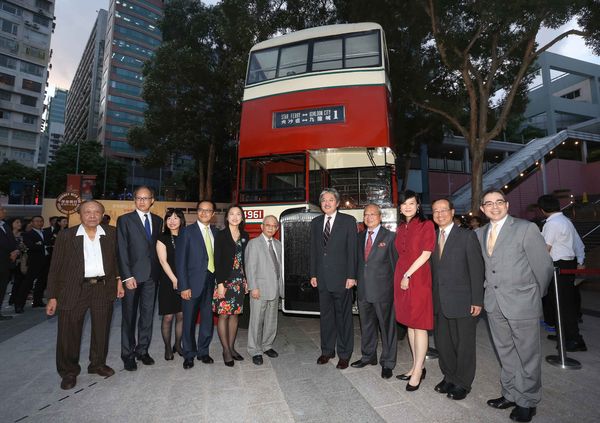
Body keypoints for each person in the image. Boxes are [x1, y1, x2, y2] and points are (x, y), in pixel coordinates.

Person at [477, 189, 553, 423]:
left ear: (507, 205)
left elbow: (544, 266)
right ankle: (510, 393)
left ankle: (527, 401)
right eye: (489, 204)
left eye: (499, 202)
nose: (495, 207)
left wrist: (534, 296)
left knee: (527, 355)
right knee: (505, 352)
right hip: (494, 303)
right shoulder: (480, 233)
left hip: (522, 303)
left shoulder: (525, 228)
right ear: (482, 209)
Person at [46, 200, 124, 390]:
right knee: (68, 333)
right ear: (79, 214)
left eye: (96, 212)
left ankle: (97, 364)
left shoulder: (111, 234)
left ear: (102, 215)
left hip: (102, 288)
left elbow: (117, 260)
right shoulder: (66, 235)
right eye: (87, 212)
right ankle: (69, 371)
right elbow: (55, 268)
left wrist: (119, 280)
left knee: (101, 329)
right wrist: (52, 296)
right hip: (73, 289)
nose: (92, 215)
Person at [430, 198, 484, 401]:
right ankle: (449, 376)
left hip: (463, 300)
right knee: (443, 344)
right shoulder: (432, 238)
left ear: (452, 212)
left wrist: (477, 300)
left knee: (464, 345)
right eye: (435, 211)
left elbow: (477, 270)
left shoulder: (466, 236)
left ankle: (463, 382)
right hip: (439, 301)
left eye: (443, 210)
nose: (439, 214)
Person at [310, 188, 357, 370]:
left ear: (337, 203)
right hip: (322, 278)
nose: (327, 203)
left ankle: (344, 354)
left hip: (342, 279)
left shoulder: (348, 221)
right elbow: (314, 250)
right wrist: (313, 274)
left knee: (344, 318)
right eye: (323, 200)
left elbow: (352, 251)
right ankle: (327, 350)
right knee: (326, 318)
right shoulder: (315, 222)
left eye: (331, 200)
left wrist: (352, 276)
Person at [117, 186, 163, 371]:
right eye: (138, 198)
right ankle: (127, 355)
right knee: (129, 316)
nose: (142, 201)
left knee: (147, 315)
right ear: (134, 200)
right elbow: (121, 250)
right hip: (132, 278)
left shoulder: (159, 221)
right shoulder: (125, 220)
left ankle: (142, 350)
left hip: (152, 276)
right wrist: (126, 276)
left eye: (146, 198)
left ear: (152, 200)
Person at [393, 190, 435, 391]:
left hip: (417, 278)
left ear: (418, 205)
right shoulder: (401, 227)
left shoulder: (426, 225)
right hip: (402, 278)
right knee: (410, 324)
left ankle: (418, 371)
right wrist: (401, 276)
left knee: (420, 325)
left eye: (412, 203)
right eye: (404, 204)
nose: (408, 206)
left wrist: (407, 275)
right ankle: (415, 366)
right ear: (400, 207)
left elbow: (426, 254)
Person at [351, 204, 398, 379]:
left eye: (372, 214)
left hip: (383, 291)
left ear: (380, 216)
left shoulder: (391, 237)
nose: (369, 217)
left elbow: (396, 266)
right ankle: (368, 356)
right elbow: (358, 262)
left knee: (387, 328)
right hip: (363, 290)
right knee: (366, 326)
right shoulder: (359, 237)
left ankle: (388, 363)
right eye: (366, 214)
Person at [537, 194, 586, 352]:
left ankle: (574, 339)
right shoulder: (565, 221)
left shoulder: (552, 224)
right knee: (561, 302)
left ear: (542, 209)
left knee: (562, 303)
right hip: (567, 264)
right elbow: (578, 242)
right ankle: (564, 334)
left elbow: (545, 249)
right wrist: (580, 260)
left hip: (557, 265)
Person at [176, 200, 219, 369]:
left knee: (208, 319)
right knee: (189, 320)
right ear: (197, 212)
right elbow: (180, 262)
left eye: (208, 210)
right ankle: (189, 354)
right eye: (201, 210)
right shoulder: (187, 232)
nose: (204, 213)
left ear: (213, 214)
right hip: (191, 284)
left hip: (211, 282)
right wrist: (184, 286)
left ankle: (203, 351)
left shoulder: (216, 232)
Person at [213, 205, 249, 367]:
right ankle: (226, 350)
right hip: (225, 280)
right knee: (224, 315)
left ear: (242, 218)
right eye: (232, 214)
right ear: (227, 217)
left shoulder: (245, 236)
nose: (235, 217)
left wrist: (247, 280)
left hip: (239, 281)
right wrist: (220, 284)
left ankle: (233, 348)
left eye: (238, 214)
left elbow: (246, 261)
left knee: (235, 315)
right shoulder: (220, 235)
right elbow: (217, 260)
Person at [245, 215, 282, 366]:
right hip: (259, 290)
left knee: (271, 321)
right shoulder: (253, 244)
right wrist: (253, 287)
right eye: (268, 225)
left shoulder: (278, 244)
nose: (271, 228)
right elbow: (250, 267)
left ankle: (267, 346)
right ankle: (254, 350)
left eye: (274, 226)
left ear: (277, 228)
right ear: (262, 226)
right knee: (256, 321)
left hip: (275, 288)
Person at [156, 209, 185, 361]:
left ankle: (178, 345)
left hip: (185, 280)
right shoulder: (162, 238)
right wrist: (174, 279)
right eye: (169, 218)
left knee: (181, 315)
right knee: (168, 317)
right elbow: (163, 261)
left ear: (181, 220)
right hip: (168, 281)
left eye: (175, 218)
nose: (172, 221)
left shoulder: (186, 236)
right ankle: (167, 347)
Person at [15, 215, 52, 311]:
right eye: (36, 221)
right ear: (32, 222)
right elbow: (31, 246)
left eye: (41, 221)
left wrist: (41, 244)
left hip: (46, 260)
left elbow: (50, 244)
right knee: (28, 283)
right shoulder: (28, 234)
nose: (39, 223)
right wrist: (43, 245)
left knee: (42, 282)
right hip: (34, 262)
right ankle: (19, 305)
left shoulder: (46, 233)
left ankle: (37, 301)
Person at [0, 207, 18, 320]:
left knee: (2, 288)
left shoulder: (5, 225)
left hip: (6, 263)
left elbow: (12, 240)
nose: (4, 211)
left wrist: (15, 250)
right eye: (1, 209)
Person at [7, 218, 26, 307]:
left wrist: (23, 248)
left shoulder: (23, 235)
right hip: (7, 262)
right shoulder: (6, 234)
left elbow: (24, 248)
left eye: (20, 222)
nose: (19, 224)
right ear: (11, 224)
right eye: (17, 222)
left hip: (19, 262)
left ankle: (14, 300)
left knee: (18, 282)